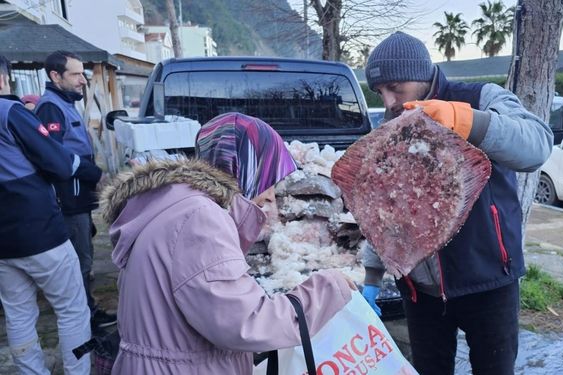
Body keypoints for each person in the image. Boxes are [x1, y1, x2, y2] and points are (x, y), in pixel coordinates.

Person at [100, 112, 355, 374]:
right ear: (243, 168)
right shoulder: (199, 218)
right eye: (268, 179)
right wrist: (327, 288)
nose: (269, 196)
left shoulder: (173, 204)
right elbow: (246, 323)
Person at [361, 32, 553, 374]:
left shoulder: (481, 97)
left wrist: (465, 121)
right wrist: (372, 275)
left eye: (395, 87)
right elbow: (382, 208)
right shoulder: (391, 125)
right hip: (421, 290)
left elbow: (537, 145)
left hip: (488, 279)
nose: (388, 100)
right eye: (379, 91)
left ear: (420, 76)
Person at [0, 55, 92, 374]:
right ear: (3, 79)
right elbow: (60, 163)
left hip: (3, 242)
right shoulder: (10, 111)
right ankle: (79, 371)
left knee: (19, 314)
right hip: (39, 231)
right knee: (72, 310)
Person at [34, 50, 116, 330]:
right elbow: (54, 157)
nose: (83, 80)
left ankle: (85, 310)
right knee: (80, 261)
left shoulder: (65, 102)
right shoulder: (50, 107)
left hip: (79, 196)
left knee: (85, 253)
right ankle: (84, 318)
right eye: (76, 74)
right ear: (55, 76)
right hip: (67, 199)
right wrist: (94, 174)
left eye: (83, 73)